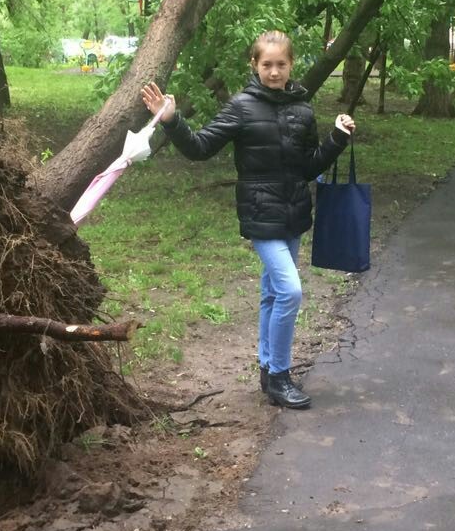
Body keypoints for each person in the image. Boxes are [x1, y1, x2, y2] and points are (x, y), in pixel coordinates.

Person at [141, 31, 355, 410]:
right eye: (267, 64)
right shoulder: (241, 106)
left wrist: (337, 138)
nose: (275, 71)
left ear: (291, 65)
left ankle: (268, 368)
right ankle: (280, 377)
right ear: (254, 66)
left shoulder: (303, 109)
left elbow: (309, 167)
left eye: (281, 64)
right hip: (260, 212)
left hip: (294, 211)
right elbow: (201, 148)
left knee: (273, 293)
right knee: (290, 291)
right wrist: (172, 121)